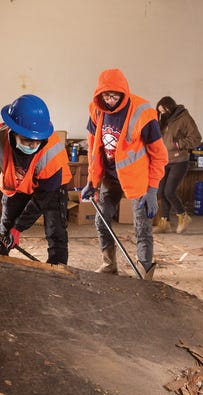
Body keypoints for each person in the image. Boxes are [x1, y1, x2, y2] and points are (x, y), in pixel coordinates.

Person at [0, 94, 71, 302]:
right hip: (16, 187)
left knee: (56, 233)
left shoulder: (52, 155)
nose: (33, 145)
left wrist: (20, 228)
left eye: (37, 141)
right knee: (4, 233)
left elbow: (41, 200)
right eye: (27, 140)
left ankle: (57, 282)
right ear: (13, 131)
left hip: (50, 190)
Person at [81, 69, 168, 280]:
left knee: (142, 227)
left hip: (137, 180)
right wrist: (92, 182)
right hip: (110, 178)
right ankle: (109, 265)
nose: (110, 101)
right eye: (106, 96)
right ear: (99, 94)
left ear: (124, 93)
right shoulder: (96, 110)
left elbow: (159, 155)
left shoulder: (143, 112)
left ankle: (144, 273)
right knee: (101, 221)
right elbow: (94, 150)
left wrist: (152, 189)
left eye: (115, 96)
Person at [154, 96, 202, 234]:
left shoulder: (184, 117)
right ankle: (165, 223)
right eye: (160, 112)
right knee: (162, 192)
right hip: (164, 160)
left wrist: (178, 144)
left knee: (169, 191)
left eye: (164, 111)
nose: (162, 114)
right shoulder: (164, 119)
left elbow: (196, 138)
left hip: (179, 160)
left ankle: (183, 217)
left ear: (170, 107)